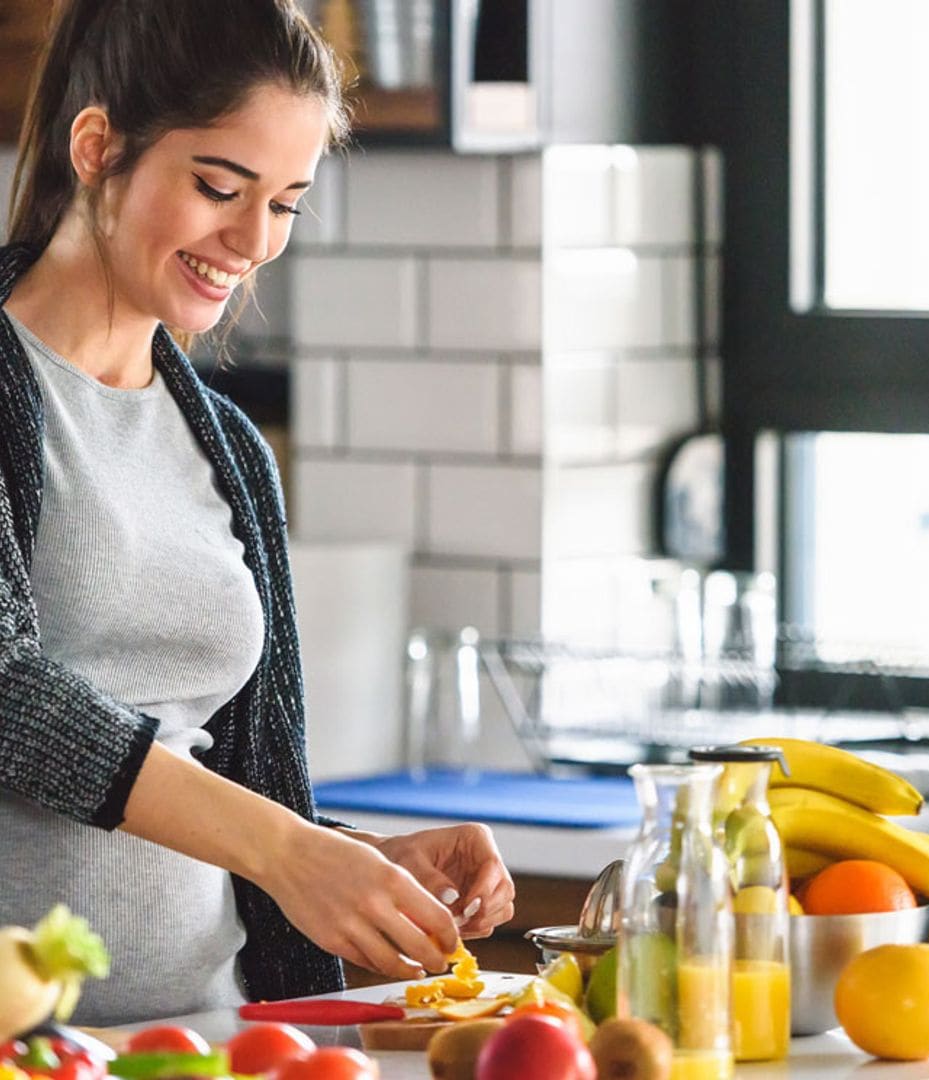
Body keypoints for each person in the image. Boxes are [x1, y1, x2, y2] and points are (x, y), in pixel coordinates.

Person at [0, 0, 514, 1024]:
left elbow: (212, 781)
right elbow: (8, 694)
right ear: (98, 147)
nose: (252, 240)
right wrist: (290, 849)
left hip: (212, 1036)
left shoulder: (229, 449)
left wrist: (347, 857)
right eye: (220, 187)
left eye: (284, 203)